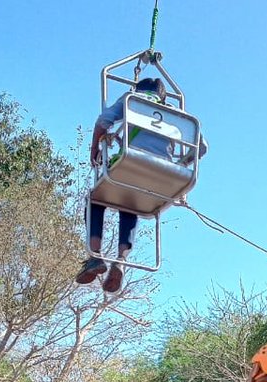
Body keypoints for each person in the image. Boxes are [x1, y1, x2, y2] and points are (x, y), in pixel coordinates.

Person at [76, 77, 207, 291]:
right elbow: (201, 148)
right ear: (163, 96)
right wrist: (180, 165)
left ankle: (95, 256)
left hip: (131, 162)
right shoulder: (177, 115)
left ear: (138, 89)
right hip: (165, 176)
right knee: (131, 202)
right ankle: (121, 260)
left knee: (96, 199)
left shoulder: (132, 99)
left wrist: (94, 150)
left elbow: (103, 122)